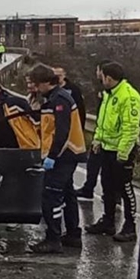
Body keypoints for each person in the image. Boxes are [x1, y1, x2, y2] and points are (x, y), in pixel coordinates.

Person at [27, 64, 86, 254]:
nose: (35, 88)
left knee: (51, 196)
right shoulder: (52, 98)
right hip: (67, 153)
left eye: (36, 84)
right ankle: (73, 234)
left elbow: (62, 132)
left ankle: (53, 238)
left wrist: (52, 156)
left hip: (63, 154)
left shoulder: (59, 100)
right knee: (68, 194)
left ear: (45, 82)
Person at [85, 61, 140, 242]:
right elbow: (103, 122)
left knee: (125, 189)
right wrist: (97, 140)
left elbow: (130, 128)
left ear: (108, 78)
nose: (100, 79)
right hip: (106, 148)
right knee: (107, 186)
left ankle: (130, 226)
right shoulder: (109, 95)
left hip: (121, 151)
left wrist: (123, 153)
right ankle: (108, 221)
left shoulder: (129, 96)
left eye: (102, 76)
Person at [75, 59, 113, 200]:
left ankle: (111, 196)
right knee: (93, 164)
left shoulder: (111, 92)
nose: (96, 73)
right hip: (100, 133)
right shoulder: (101, 88)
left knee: (106, 170)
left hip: (109, 138)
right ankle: (89, 188)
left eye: (98, 70)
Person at [54, 67, 86, 131]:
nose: (58, 78)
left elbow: (80, 107)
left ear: (64, 75)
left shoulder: (73, 89)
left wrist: (81, 126)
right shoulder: (52, 89)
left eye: (60, 75)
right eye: (56, 76)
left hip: (71, 122)